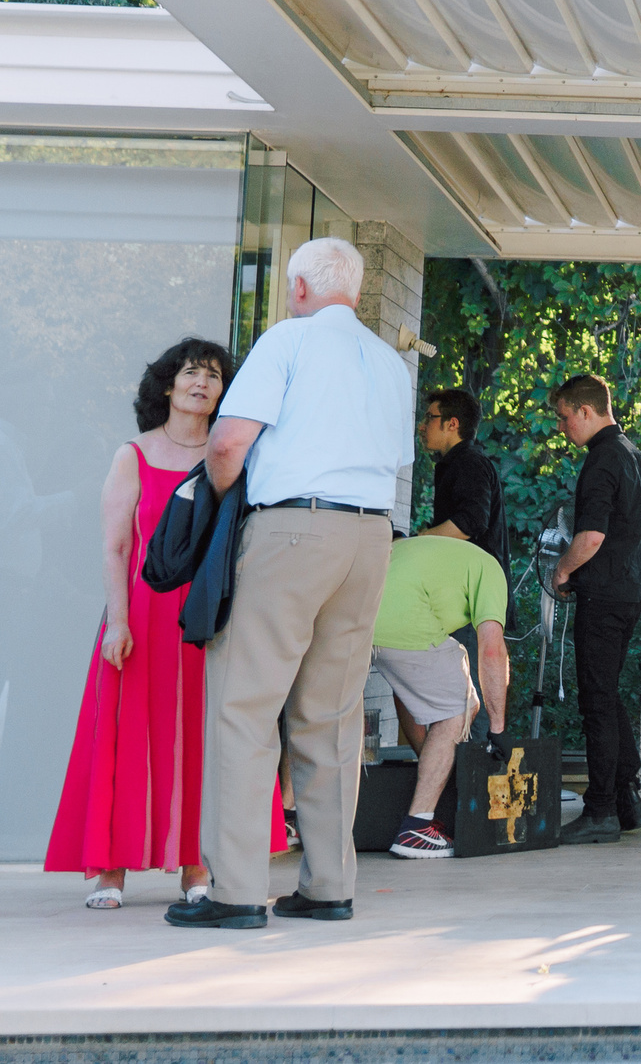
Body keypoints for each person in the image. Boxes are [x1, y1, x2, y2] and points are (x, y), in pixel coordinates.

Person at [174, 237, 410, 930]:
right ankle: (330, 884)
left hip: (293, 529)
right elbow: (392, 456)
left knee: (244, 705)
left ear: (299, 289)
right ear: (358, 293)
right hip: (368, 537)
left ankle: (237, 890)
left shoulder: (288, 341)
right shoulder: (390, 363)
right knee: (332, 715)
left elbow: (225, 444)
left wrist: (219, 501)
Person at [47, 340, 287, 908]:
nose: (202, 383)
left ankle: (194, 866)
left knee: (204, 737)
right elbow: (114, 546)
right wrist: (117, 622)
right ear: (167, 385)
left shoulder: (232, 454)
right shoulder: (133, 454)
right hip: (141, 616)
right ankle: (110, 871)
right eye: (191, 373)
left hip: (205, 616)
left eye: (213, 375)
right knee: (125, 737)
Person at [548, 373, 641, 846]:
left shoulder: (601, 460)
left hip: (603, 595)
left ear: (586, 411)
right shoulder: (636, 456)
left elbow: (590, 537)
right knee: (608, 695)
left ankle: (600, 812)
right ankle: (626, 800)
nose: (562, 427)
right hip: (630, 592)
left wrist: (562, 572)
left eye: (564, 416)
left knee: (596, 700)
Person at [369, 530, 511, 858]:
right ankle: (417, 828)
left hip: (358, 612)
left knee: (442, 667)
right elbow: (492, 651)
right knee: (460, 706)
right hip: (404, 617)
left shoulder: (433, 554)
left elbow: (405, 692)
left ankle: (292, 814)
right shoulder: (492, 571)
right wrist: (498, 728)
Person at [420, 388, 509, 579]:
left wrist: (422, 539)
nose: (422, 426)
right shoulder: (457, 463)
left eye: (429, 418)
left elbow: (472, 521)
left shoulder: (469, 463)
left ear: (452, 424)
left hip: (480, 591)